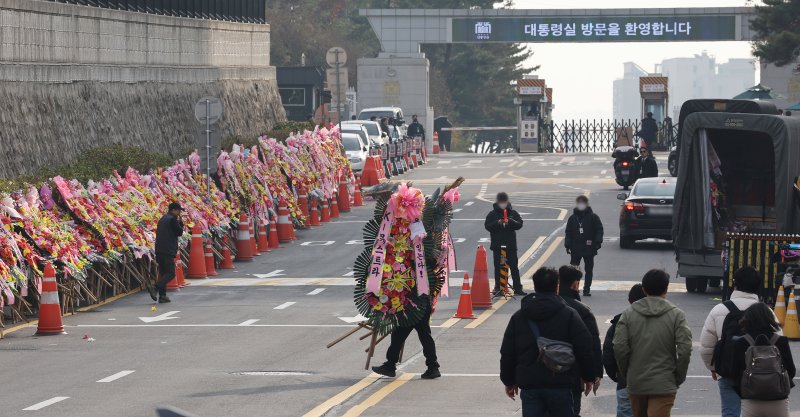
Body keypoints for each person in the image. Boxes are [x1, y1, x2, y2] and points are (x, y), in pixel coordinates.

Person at [500, 267, 595, 417]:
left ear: (535, 286)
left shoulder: (519, 316)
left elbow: (508, 352)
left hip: (530, 384)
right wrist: (589, 376)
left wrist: (509, 381)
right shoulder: (569, 314)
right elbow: (584, 348)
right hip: (561, 382)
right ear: (557, 286)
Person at [700, 266, 781, 417]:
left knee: (730, 412)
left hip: (729, 371)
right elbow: (778, 343)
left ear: (735, 284)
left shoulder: (720, 309)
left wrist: (713, 367)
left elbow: (706, 346)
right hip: (762, 373)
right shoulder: (767, 312)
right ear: (758, 286)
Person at [613, 269, 692, 417]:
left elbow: (619, 347)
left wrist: (627, 373)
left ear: (644, 289)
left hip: (636, 381)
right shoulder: (676, 315)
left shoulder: (628, 314)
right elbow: (685, 349)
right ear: (666, 288)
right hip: (664, 382)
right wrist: (678, 377)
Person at [730, 302, 796, 417]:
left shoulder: (741, 342)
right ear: (770, 318)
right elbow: (791, 370)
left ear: (747, 319)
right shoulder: (781, 341)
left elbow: (734, 373)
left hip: (750, 400)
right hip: (778, 400)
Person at [558, 265, 603, 417]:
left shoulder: (536, 307)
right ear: (575, 284)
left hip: (537, 377)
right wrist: (594, 374)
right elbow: (591, 346)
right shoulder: (582, 310)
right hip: (572, 376)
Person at [603, 284, 647, 417]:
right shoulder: (662, 320)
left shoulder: (619, 322)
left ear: (629, 301)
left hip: (626, 382)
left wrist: (616, 375)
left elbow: (608, 353)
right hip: (654, 383)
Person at [372, 296, 440, 379]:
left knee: (398, 335)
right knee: (425, 336)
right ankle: (433, 367)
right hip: (423, 305)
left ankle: (390, 365)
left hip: (411, 307)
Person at [484, 192, 526, 296]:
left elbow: (520, 224)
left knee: (514, 267)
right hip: (498, 246)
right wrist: (497, 223)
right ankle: (499, 288)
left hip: (510, 246)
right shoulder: (492, 214)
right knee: (499, 267)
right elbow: (487, 226)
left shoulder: (513, 213)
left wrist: (510, 221)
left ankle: (517, 288)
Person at [564, 195, 603, 296]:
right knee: (573, 271)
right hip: (575, 248)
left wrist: (598, 241)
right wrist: (567, 244)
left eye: (583, 203)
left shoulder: (593, 217)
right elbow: (568, 232)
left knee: (588, 269)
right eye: (579, 203)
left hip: (589, 248)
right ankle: (574, 289)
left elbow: (599, 229)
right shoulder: (572, 218)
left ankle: (586, 289)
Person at [151, 202, 185, 303]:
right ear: (174, 210)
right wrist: (181, 223)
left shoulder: (162, 219)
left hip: (159, 249)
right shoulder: (172, 219)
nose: (179, 213)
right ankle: (155, 288)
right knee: (170, 273)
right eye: (178, 211)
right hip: (167, 250)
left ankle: (162, 296)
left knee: (163, 273)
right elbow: (179, 232)